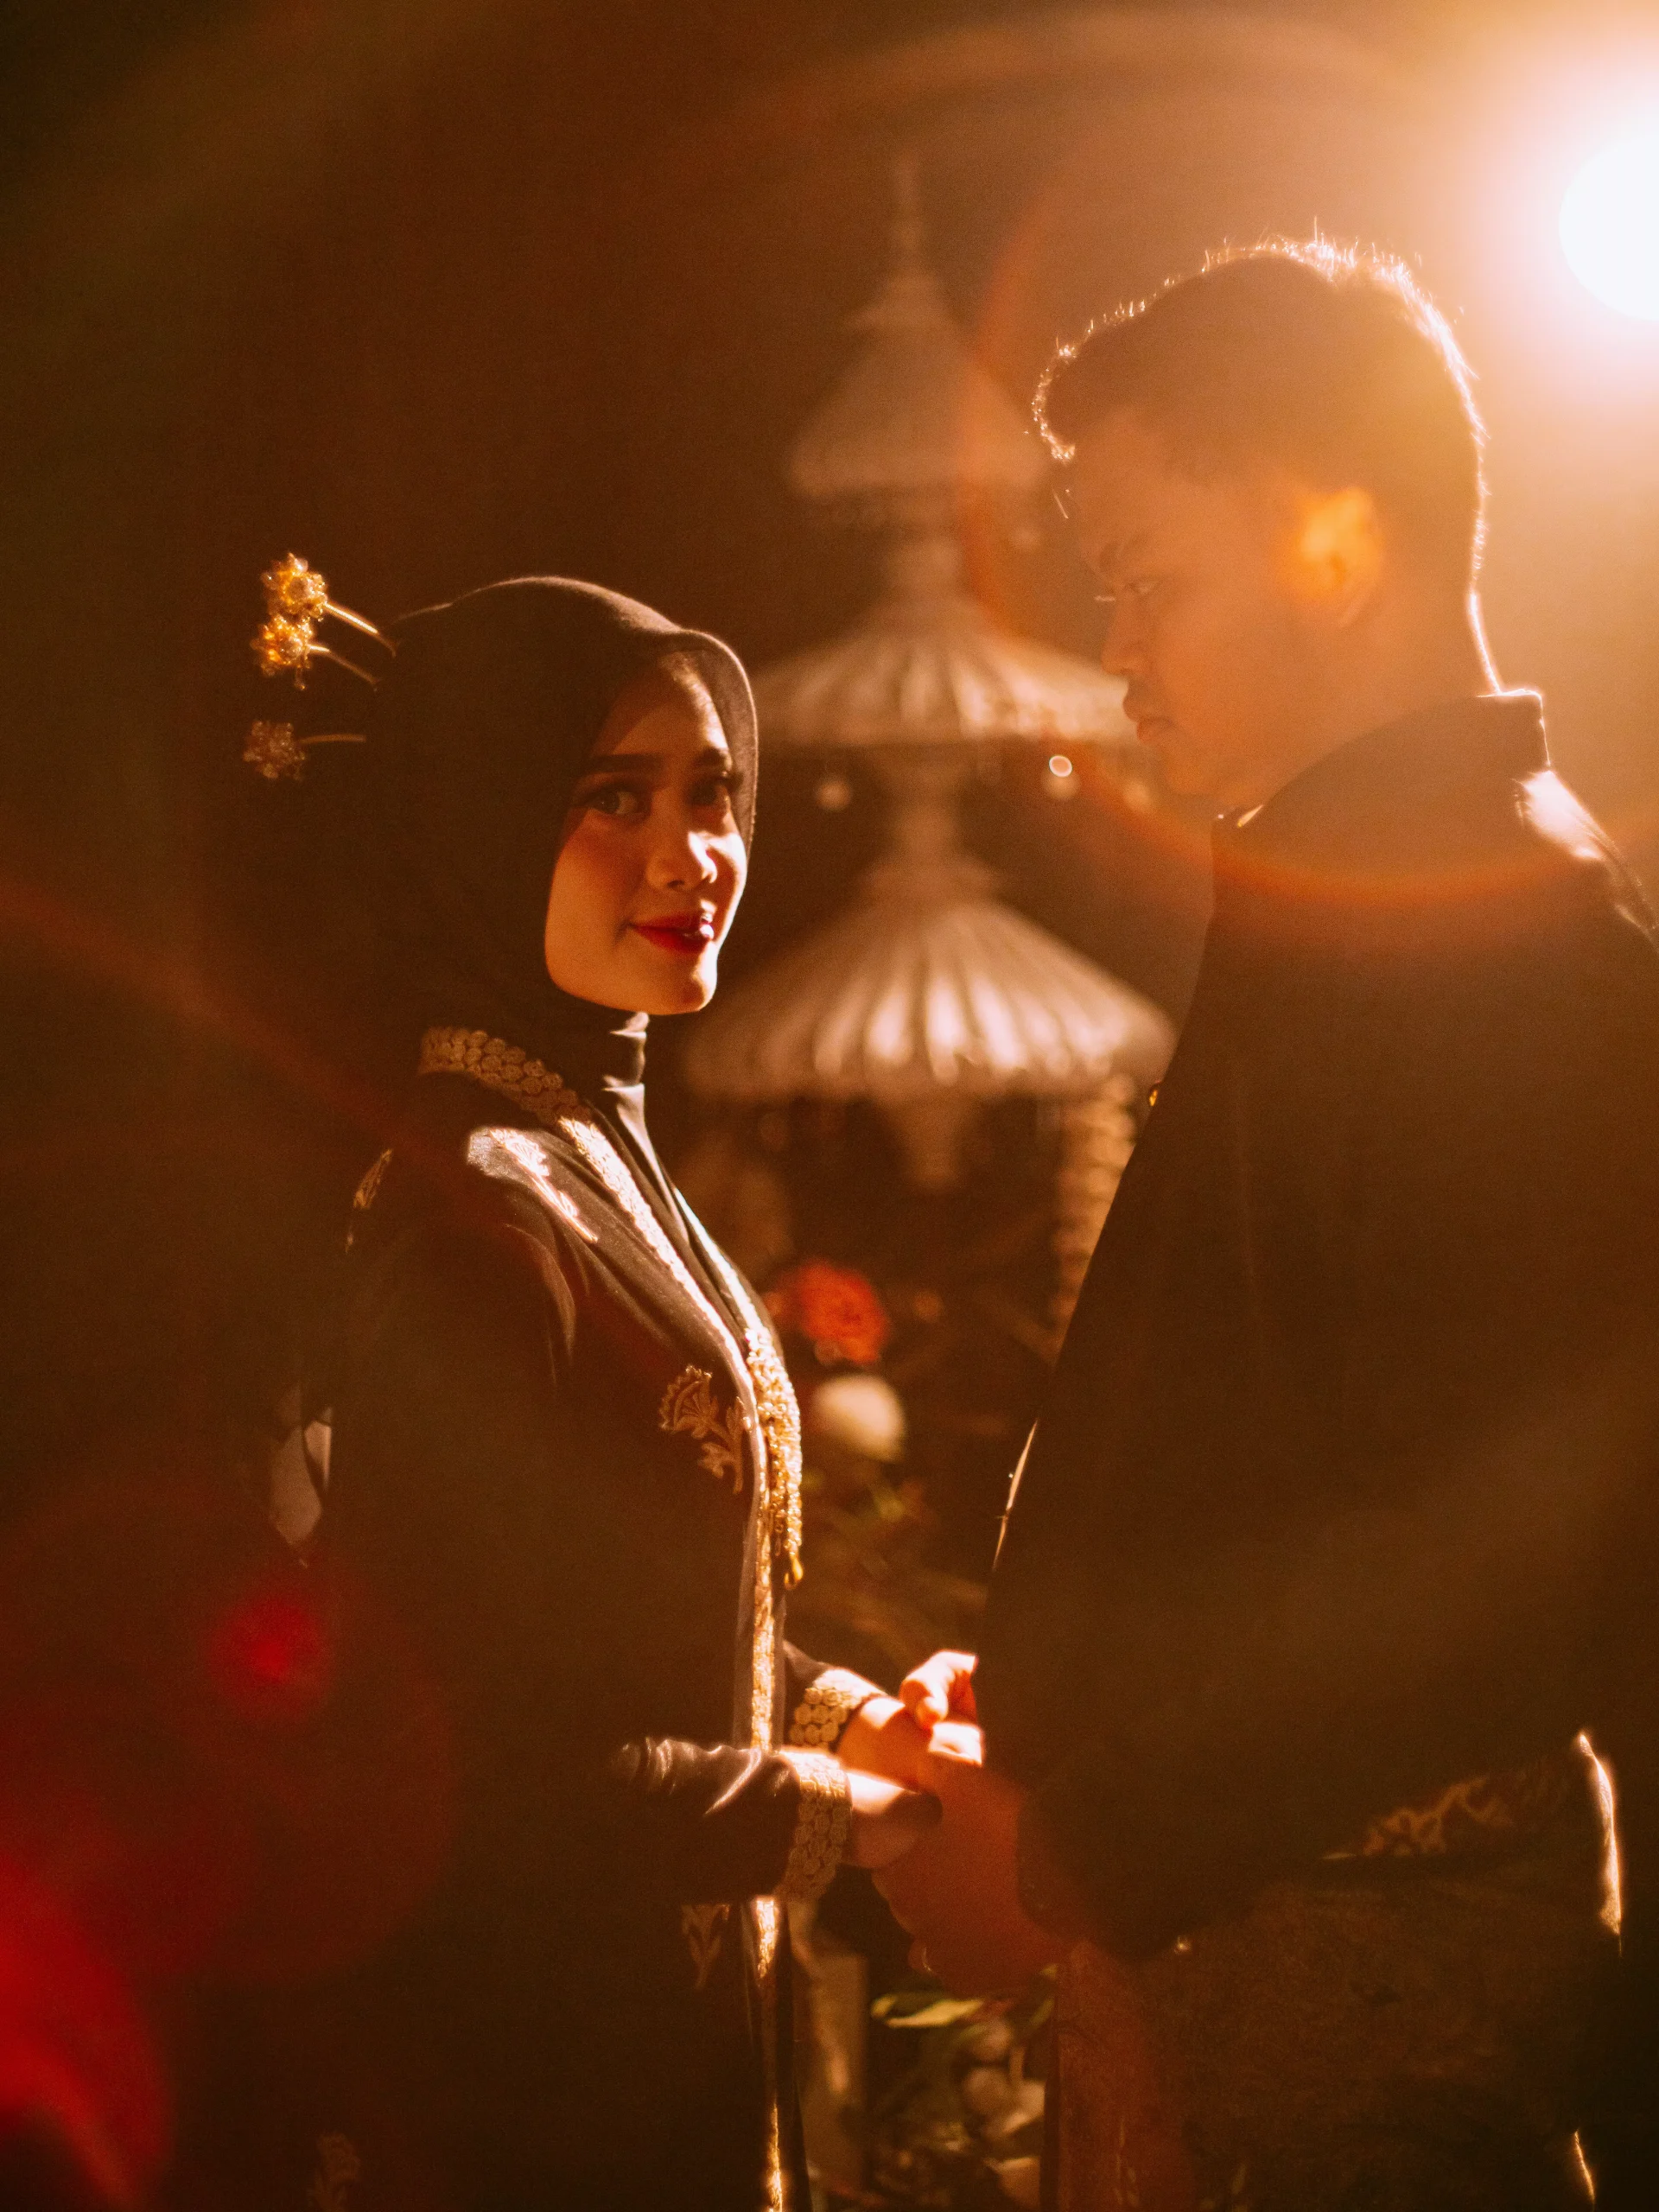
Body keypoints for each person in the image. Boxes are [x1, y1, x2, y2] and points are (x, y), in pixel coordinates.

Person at [876, 241, 1659, 2209]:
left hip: (1363, 2009)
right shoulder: (1357, 899)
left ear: (1336, 543)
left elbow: (1485, 1574)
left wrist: (1065, 1852)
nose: (1120, 647)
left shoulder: (1502, 945)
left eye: (1149, 576)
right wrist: (1046, 1712)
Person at [181, 575, 939, 2212]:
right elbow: (469, 1773)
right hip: (533, 2104)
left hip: (653, 2060)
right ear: (478, 824)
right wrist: (842, 1814)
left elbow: (632, 1615)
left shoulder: (582, 1160)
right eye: (613, 799)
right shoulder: (482, 1217)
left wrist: (845, 1717)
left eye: (711, 793)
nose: (690, 855)